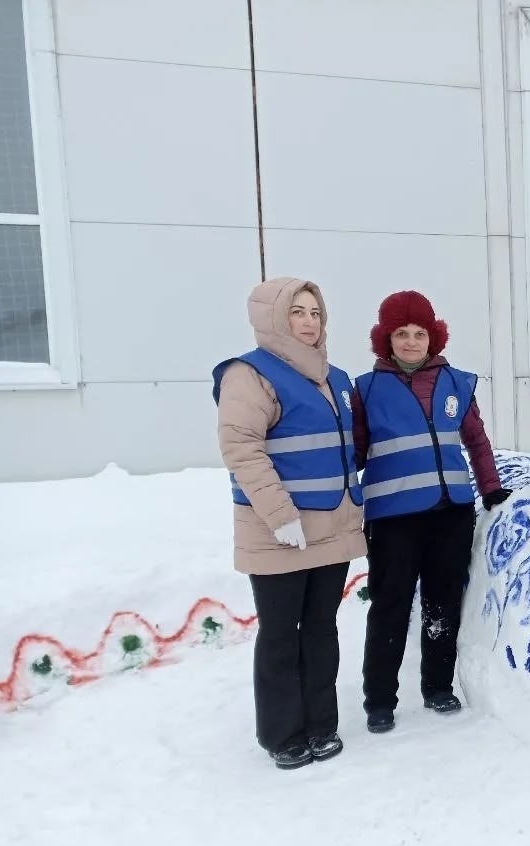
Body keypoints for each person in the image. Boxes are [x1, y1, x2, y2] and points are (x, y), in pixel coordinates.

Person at [214, 278, 366, 771]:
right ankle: (283, 734)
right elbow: (242, 449)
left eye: (315, 312)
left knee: (321, 629)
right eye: (297, 312)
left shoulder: (336, 379)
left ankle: (321, 725)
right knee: (281, 634)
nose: (308, 321)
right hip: (277, 532)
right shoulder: (250, 375)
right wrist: (280, 516)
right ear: (273, 318)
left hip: (332, 526)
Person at [352, 291, 511, 733]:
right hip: (392, 518)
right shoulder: (365, 389)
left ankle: (438, 686)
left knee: (443, 601)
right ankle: (379, 699)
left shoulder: (457, 383)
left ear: (433, 336)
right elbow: (355, 453)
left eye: (419, 333)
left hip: (450, 512)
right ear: (386, 339)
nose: (410, 342)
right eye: (401, 333)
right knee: (390, 604)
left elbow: (476, 440)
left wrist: (490, 488)